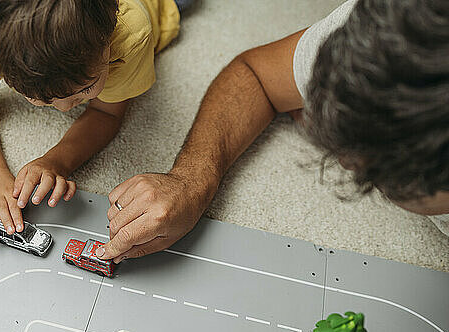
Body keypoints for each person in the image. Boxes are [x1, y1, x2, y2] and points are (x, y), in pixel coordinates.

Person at [96, 0, 449, 263]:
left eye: (375, 172)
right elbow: (257, 75)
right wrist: (190, 182)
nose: (343, 158)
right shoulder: (385, 30)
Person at [0, 0, 192, 238]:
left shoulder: (130, 34)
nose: (65, 108)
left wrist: (57, 162)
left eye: (86, 88)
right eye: (42, 99)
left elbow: (106, 113)